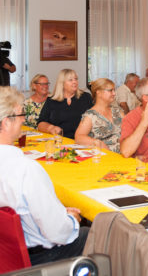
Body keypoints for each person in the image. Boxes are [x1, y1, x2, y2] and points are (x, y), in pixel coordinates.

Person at [0, 86, 89, 266]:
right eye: (20, 115)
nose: (24, 119)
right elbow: (59, 233)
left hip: (7, 253)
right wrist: (71, 219)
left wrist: (58, 214)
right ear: (6, 122)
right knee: (92, 233)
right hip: (36, 257)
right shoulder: (25, 170)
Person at [37, 69, 93, 139]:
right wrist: (51, 128)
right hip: (60, 141)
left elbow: (95, 118)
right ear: (62, 83)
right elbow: (41, 123)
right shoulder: (51, 100)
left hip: (82, 141)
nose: (74, 82)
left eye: (76, 79)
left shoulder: (86, 97)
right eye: (70, 80)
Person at [75, 78, 123, 153]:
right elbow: (79, 137)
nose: (114, 93)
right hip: (105, 157)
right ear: (98, 92)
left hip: (125, 155)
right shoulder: (90, 116)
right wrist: (97, 143)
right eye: (110, 90)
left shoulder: (118, 111)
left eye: (114, 90)